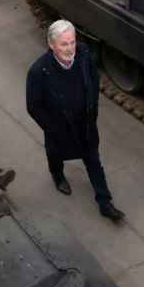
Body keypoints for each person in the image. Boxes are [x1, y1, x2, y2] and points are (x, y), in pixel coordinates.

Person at [26, 19, 126, 223]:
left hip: (84, 124)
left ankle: (105, 203)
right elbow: (33, 107)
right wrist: (53, 129)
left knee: (93, 160)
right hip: (59, 128)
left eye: (72, 42)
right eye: (64, 44)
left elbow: (93, 78)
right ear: (52, 45)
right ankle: (58, 177)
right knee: (56, 155)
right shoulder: (39, 71)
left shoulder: (83, 53)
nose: (70, 48)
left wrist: (93, 108)